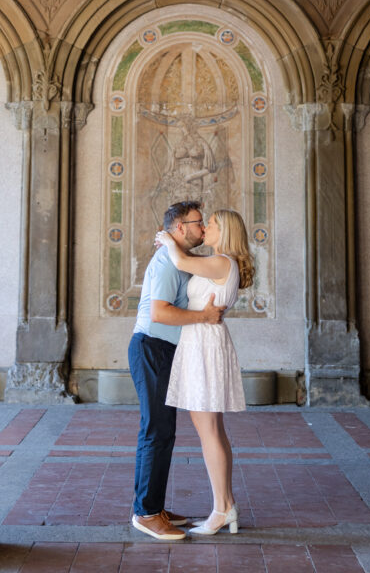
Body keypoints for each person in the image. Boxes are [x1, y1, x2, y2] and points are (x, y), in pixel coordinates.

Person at [128, 200, 226, 542]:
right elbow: (160, 313)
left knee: (163, 430)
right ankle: (146, 513)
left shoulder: (181, 258)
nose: (202, 229)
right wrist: (205, 318)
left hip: (163, 350)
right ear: (180, 228)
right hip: (151, 346)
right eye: (198, 223)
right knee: (156, 429)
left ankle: (154, 505)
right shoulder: (169, 261)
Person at [155, 209, 255, 536]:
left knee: (209, 429)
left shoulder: (223, 261)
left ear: (224, 231)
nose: (206, 227)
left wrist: (168, 238)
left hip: (205, 344)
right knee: (211, 428)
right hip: (202, 342)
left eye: (211, 224)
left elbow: (182, 263)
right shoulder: (220, 262)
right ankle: (225, 505)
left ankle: (221, 509)